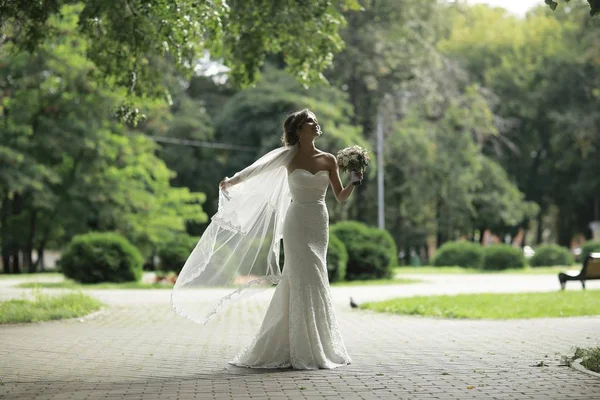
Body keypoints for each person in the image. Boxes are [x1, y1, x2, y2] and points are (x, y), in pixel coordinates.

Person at [172, 108, 361, 370]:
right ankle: (294, 343)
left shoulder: (328, 159)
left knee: (317, 275)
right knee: (298, 276)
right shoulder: (288, 156)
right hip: (296, 221)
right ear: (298, 130)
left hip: (319, 221)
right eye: (310, 121)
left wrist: (353, 181)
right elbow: (257, 169)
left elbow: (339, 197)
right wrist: (232, 181)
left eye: (317, 121)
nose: (317, 124)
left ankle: (319, 343)